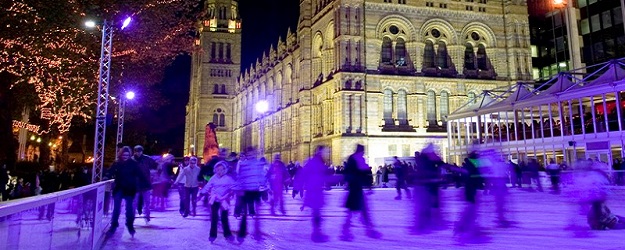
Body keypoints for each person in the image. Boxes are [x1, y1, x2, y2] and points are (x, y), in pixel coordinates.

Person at [341, 144, 381, 241]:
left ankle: (347, 230)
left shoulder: (352, 159)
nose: (363, 153)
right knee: (359, 210)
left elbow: (348, 172)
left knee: (354, 210)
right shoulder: (358, 159)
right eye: (363, 152)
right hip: (356, 188)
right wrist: (369, 186)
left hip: (354, 187)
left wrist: (347, 182)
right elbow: (364, 173)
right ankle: (365, 229)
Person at [105, 146, 148, 236]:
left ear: (129, 155)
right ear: (121, 155)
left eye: (127, 155)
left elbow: (140, 174)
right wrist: (107, 176)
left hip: (129, 189)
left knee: (129, 209)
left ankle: (129, 225)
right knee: (116, 209)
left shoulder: (133, 164)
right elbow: (110, 171)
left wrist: (145, 183)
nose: (125, 156)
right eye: (124, 155)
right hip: (119, 188)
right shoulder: (117, 163)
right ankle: (113, 225)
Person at [235, 147, 267, 242]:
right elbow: (240, 177)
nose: (250, 156)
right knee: (244, 213)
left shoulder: (258, 164)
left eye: (251, 154)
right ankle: (242, 232)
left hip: (255, 191)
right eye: (248, 154)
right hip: (246, 191)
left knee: (257, 214)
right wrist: (239, 188)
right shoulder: (243, 165)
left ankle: (256, 232)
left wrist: (264, 187)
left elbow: (261, 176)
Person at [300, 146, 331, 242]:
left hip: (315, 190)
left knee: (317, 213)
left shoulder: (317, 161)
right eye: (325, 153)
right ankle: (316, 234)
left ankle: (317, 233)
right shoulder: (316, 162)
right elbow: (305, 174)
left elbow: (323, 175)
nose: (327, 155)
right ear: (320, 152)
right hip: (314, 191)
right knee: (316, 213)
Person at [205, 161, 235, 242]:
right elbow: (207, 186)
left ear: (225, 170)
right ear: (215, 170)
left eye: (221, 170)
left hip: (224, 200)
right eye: (218, 170)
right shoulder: (213, 178)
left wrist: (230, 193)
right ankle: (212, 235)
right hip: (214, 199)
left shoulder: (228, 179)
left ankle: (227, 234)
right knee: (214, 218)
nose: (219, 171)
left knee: (224, 218)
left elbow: (233, 187)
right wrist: (202, 192)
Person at [133, 145, 157, 222]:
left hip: (146, 183)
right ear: (135, 152)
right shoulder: (132, 160)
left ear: (142, 152)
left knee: (147, 202)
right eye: (137, 151)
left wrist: (154, 172)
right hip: (135, 185)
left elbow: (155, 164)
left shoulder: (147, 159)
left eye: (140, 151)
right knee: (134, 203)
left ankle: (147, 215)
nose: (138, 153)